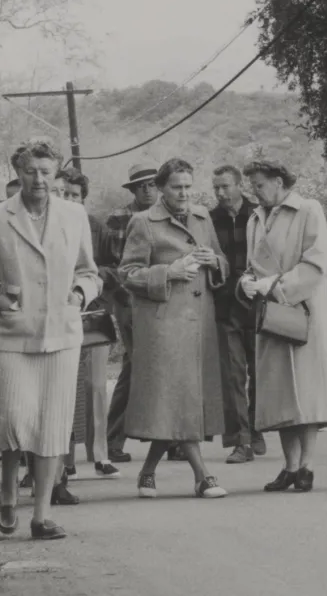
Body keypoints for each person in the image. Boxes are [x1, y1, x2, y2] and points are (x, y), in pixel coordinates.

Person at [0, 139, 101, 541]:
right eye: (30, 171)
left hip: (61, 335)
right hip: (10, 336)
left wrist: (79, 294)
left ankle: (41, 516)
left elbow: (89, 271)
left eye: (46, 171)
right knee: (15, 422)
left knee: (53, 426)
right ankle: (7, 489)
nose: (38, 179)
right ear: (17, 172)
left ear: (56, 173)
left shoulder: (75, 215)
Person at [119, 157, 228, 500]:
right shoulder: (143, 222)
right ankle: (203, 476)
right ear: (161, 189)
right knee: (177, 399)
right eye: (176, 187)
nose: (183, 193)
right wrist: (168, 272)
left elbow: (221, 260)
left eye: (187, 186)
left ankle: (148, 471)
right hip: (163, 325)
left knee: (178, 403)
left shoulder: (202, 216)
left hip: (200, 324)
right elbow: (128, 274)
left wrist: (216, 263)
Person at [238, 160, 327, 493]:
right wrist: (249, 283)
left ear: (278, 181)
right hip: (271, 313)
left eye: (259, 184)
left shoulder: (308, 209)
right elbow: (252, 264)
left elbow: (316, 260)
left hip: (303, 310)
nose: (255, 191)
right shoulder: (256, 218)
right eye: (252, 185)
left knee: (307, 390)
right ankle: (290, 466)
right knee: (279, 389)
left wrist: (278, 286)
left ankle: (307, 465)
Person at [57, 167, 120, 480]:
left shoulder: (96, 228)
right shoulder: (44, 225)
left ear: (84, 198)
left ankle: (100, 455)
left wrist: (89, 283)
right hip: (56, 317)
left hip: (92, 315)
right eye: (64, 193)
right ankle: (64, 459)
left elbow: (114, 268)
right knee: (64, 388)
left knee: (96, 386)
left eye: (75, 195)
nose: (69, 199)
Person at [100, 163, 159, 464]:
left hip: (164, 302)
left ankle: (170, 438)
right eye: (141, 186)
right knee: (136, 366)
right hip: (130, 301)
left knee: (166, 367)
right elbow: (110, 266)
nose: (148, 190)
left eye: (152, 184)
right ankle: (113, 440)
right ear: (133, 190)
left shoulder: (168, 214)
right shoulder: (120, 217)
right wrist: (124, 298)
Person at [210, 164, 265, 463]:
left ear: (239, 185)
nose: (220, 193)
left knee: (260, 372)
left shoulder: (258, 215)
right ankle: (240, 441)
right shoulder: (208, 220)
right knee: (232, 376)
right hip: (224, 307)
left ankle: (256, 429)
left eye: (225, 186)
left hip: (257, 305)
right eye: (216, 187)